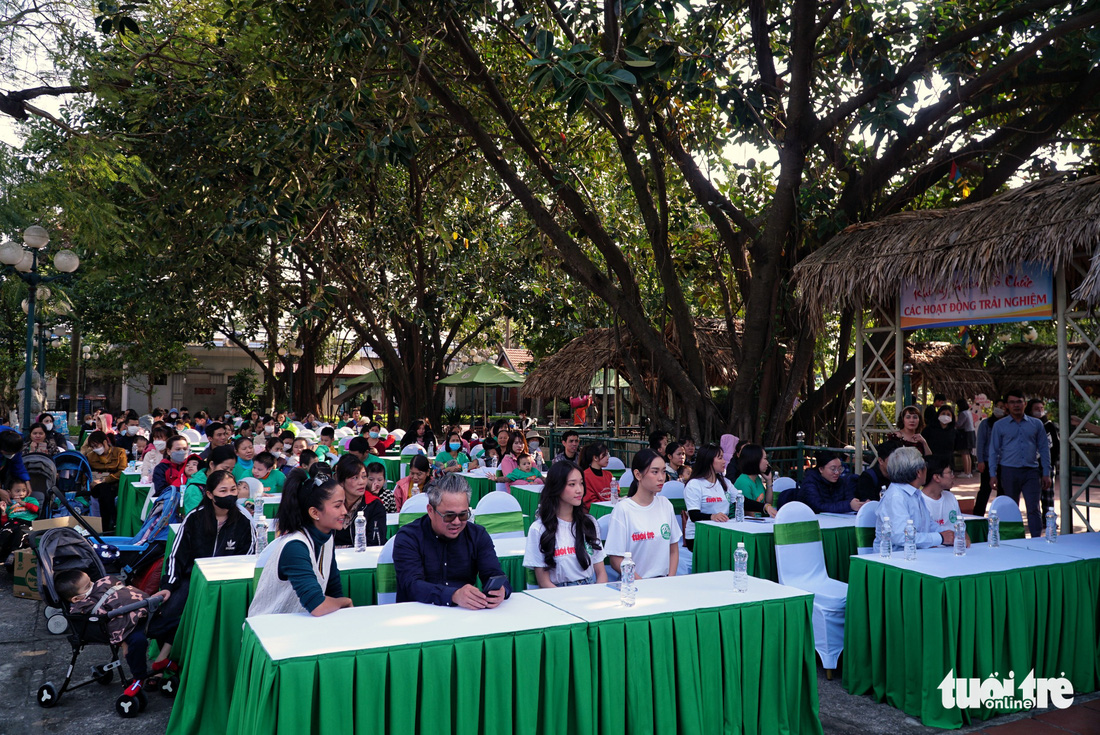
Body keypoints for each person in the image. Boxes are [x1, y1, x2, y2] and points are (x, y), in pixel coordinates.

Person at [162, 471, 257, 654]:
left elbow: (248, 558)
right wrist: (169, 584)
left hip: (228, 582)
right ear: (210, 494)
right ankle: (173, 656)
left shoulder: (244, 521)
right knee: (171, 612)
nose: (230, 495)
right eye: (223, 491)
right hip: (193, 579)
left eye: (233, 489)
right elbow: (176, 555)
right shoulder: (194, 519)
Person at [392, 473, 512, 608]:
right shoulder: (409, 537)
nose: (456, 522)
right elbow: (411, 585)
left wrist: (501, 589)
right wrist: (453, 595)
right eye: (449, 516)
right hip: (416, 613)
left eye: (463, 515)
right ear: (430, 511)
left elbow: (494, 573)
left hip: (464, 614)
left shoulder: (477, 535)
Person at [57, 569, 174, 700]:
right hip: (126, 628)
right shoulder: (83, 607)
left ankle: (161, 660)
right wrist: (123, 642)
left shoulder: (102, 584)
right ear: (77, 598)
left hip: (145, 615)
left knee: (176, 625)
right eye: (88, 586)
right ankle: (139, 677)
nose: (94, 584)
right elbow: (104, 626)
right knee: (137, 642)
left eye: (91, 581)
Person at [249, 468, 352, 616]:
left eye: (344, 504)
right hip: (268, 631)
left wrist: (340, 602)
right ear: (314, 513)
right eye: (337, 506)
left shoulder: (327, 539)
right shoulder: (295, 546)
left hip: (303, 625)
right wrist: (344, 602)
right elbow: (318, 606)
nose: (344, 511)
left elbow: (333, 590)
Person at [524, 461, 607, 587]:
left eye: (581, 483)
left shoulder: (589, 523)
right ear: (556, 486)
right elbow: (543, 581)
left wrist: (598, 593)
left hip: (590, 590)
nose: (579, 490)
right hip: (557, 592)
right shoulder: (539, 529)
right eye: (572, 484)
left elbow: (601, 573)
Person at [606, 449, 681, 578]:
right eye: (655, 472)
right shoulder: (623, 509)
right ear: (638, 475)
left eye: (663, 471)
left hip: (663, 582)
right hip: (634, 584)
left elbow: (673, 550)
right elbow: (615, 559)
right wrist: (641, 582)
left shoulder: (665, 504)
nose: (661, 478)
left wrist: (670, 579)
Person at [989, 389, 1052, 538]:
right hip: (1008, 471)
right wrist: (992, 474)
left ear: (1025, 403)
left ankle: (1037, 539)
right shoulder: (1000, 425)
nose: (1016, 405)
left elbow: (1044, 449)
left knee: (1034, 508)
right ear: (1006, 405)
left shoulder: (1036, 424)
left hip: (1031, 471)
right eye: (1012, 402)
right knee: (1010, 507)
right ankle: (1013, 539)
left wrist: (1046, 473)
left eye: (1019, 402)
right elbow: (993, 450)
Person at [877, 447, 964, 550]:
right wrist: (940, 537)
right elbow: (901, 537)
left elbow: (928, 523)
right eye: (925, 467)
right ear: (919, 472)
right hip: (895, 558)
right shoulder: (896, 497)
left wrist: (950, 535)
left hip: (914, 554)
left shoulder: (914, 493)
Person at [333, 455, 386, 547]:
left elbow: (376, 543)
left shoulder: (374, 505)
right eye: (355, 478)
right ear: (341, 482)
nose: (362, 482)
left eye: (364, 476)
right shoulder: (330, 503)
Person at [84, 431, 128, 531]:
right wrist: (90, 483)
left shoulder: (119, 452)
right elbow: (85, 473)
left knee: (105, 490)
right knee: (104, 489)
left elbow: (122, 470)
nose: (95, 449)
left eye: (96, 445)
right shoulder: (90, 456)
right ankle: (113, 517)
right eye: (93, 447)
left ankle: (105, 525)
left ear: (104, 442)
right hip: (97, 486)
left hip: (114, 483)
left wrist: (106, 479)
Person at [798, 451, 866, 514]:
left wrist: (861, 504)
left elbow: (849, 499)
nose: (837, 473)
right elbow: (818, 507)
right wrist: (848, 505)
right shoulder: (809, 483)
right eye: (833, 469)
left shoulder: (841, 481)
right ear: (821, 469)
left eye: (840, 469)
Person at [921, 454, 968, 540]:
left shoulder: (951, 497)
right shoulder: (919, 501)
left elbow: (962, 528)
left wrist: (966, 541)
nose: (953, 476)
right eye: (950, 472)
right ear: (937, 477)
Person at [1026, 398, 1060, 516]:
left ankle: (1048, 517)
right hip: (1031, 465)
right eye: (1036, 409)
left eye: (1041, 409)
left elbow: (1056, 445)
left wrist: (1052, 463)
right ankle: (1035, 518)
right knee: (1034, 494)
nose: (1039, 411)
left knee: (1048, 495)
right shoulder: (1026, 425)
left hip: (1047, 465)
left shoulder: (1049, 426)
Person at [974, 397, 1007, 516]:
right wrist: (980, 460)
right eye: (998, 406)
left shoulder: (1008, 424)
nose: (1000, 409)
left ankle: (1002, 516)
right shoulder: (986, 424)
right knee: (985, 490)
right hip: (988, 461)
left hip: (1004, 462)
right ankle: (978, 515)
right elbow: (980, 443)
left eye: (1003, 407)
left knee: (1003, 491)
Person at [0, 484, 41, 561]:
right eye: (17, 491)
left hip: (26, 522)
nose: (21, 493)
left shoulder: (30, 500)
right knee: (5, 532)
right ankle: (2, 552)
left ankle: (14, 553)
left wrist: (23, 503)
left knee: (20, 534)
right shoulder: (8, 503)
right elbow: (4, 523)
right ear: (10, 492)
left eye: (24, 491)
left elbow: (36, 509)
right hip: (12, 521)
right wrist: (3, 511)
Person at [0, 428, 31, 503]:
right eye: (8, 453)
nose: (11, 456)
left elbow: (18, 466)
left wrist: (26, 481)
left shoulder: (15, 442)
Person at [580, 442, 612, 510]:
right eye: (605, 455)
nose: (608, 457)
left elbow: (616, 495)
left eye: (608, 454)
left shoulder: (609, 475)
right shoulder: (585, 476)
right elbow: (590, 502)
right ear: (595, 458)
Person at [954, 398, 975, 477]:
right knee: (968, 454)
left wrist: (954, 422)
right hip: (970, 433)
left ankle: (966, 472)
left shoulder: (963, 413)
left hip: (965, 434)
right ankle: (969, 472)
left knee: (964, 453)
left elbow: (959, 424)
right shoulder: (968, 412)